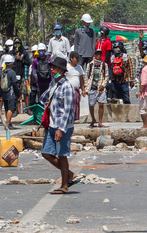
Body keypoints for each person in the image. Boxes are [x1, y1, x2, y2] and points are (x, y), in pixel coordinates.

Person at [40, 56, 79, 194]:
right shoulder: (53, 84)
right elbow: (43, 98)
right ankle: (69, 174)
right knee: (46, 152)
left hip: (62, 126)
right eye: (51, 67)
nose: (52, 69)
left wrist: (61, 129)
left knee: (62, 155)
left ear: (62, 70)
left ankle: (64, 185)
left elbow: (68, 110)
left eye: (54, 67)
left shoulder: (67, 86)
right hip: (51, 124)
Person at [84, 53, 109, 128]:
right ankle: (93, 119)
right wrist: (86, 86)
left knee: (101, 104)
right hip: (92, 87)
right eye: (97, 54)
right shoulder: (90, 64)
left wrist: (103, 85)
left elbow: (107, 76)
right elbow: (86, 75)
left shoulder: (104, 65)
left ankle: (100, 122)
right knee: (91, 105)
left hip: (100, 87)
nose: (99, 56)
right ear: (94, 55)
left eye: (100, 55)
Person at [0, 55, 20, 129]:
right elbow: (14, 84)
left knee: (7, 108)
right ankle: (7, 124)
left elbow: (0, 83)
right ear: (11, 63)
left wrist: (0, 94)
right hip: (11, 93)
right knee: (10, 109)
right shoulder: (12, 72)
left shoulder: (3, 72)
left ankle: (9, 123)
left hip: (4, 92)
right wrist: (18, 94)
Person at [65, 52, 85, 121]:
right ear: (71, 58)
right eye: (76, 58)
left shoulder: (79, 68)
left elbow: (81, 79)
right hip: (68, 90)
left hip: (76, 90)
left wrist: (83, 90)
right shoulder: (66, 67)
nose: (77, 60)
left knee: (75, 106)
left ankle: (72, 120)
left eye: (78, 58)